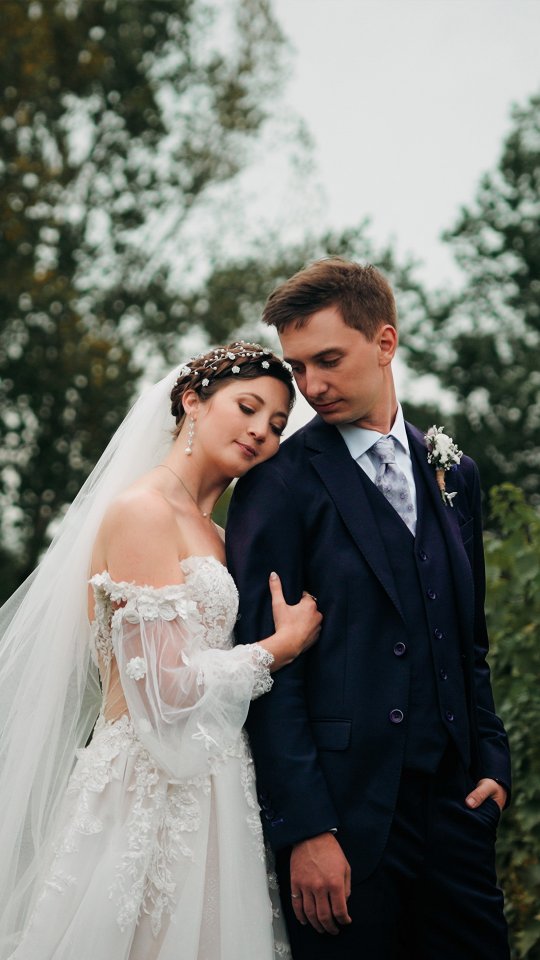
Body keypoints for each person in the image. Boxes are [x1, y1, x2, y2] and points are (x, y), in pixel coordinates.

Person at [226, 259, 511, 960]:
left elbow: (467, 640)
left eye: (328, 360)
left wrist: (493, 768)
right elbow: (267, 668)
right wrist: (305, 830)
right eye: (298, 368)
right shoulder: (278, 484)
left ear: (385, 343)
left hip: (458, 814)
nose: (311, 387)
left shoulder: (453, 473)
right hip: (342, 827)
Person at [0, 341, 322, 960]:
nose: (261, 432)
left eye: (277, 425)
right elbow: (165, 688)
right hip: (142, 793)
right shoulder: (143, 511)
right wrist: (278, 648)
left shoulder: (220, 535)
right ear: (191, 402)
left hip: (216, 788)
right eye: (248, 408)